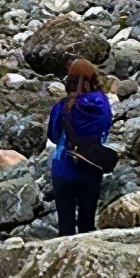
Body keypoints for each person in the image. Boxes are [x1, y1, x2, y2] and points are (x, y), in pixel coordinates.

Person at [46, 60, 113, 236]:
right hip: (91, 167)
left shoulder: (61, 106)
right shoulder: (103, 105)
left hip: (63, 169)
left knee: (65, 225)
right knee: (87, 225)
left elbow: (53, 136)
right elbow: (106, 128)